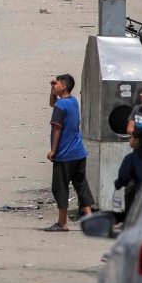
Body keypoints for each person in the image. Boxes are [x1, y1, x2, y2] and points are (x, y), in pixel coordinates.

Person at [47, 74, 95, 232]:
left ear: (64, 86)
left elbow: (57, 128)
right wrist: (52, 90)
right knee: (81, 185)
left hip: (64, 154)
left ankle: (62, 222)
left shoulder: (61, 106)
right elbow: (52, 103)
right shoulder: (73, 101)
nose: (53, 85)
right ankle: (90, 219)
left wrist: (53, 150)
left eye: (56, 84)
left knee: (60, 187)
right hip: (78, 152)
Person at [115, 126, 142, 217]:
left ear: (137, 140)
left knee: (129, 191)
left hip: (141, 196)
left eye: (131, 137)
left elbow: (124, 177)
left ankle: (129, 220)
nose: (129, 140)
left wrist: (117, 184)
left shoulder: (131, 158)